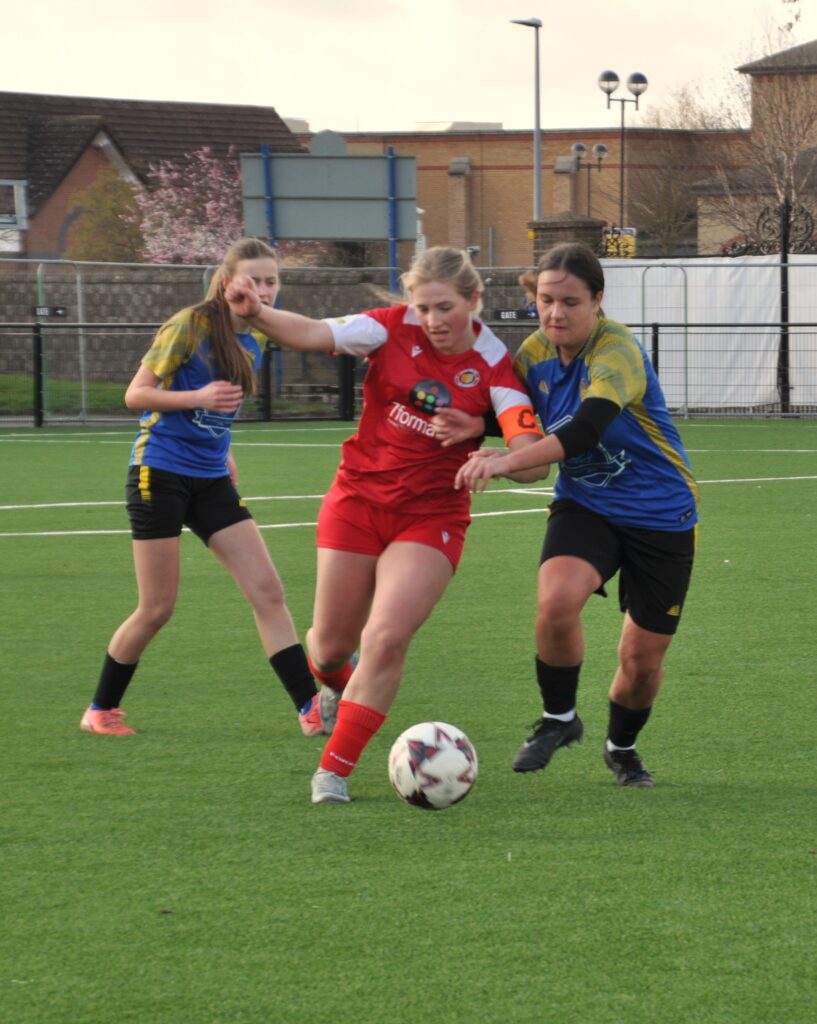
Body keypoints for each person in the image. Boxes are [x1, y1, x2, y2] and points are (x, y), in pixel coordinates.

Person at [225, 246, 543, 803]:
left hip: (431, 516)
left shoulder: (496, 366)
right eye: (423, 308)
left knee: (387, 637)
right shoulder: (387, 328)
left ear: (473, 300)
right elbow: (311, 332)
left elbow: (535, 460)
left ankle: (333, 772)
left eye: (445, 307)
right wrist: (256, 312)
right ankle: (339, 685)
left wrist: (495, 455)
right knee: (328, 649)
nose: (433, 321)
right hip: (356, 502)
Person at [455, 241, 699, 787]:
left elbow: (586, 429)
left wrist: (507, 459)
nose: (555, 313)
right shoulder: (534, 354)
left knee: (641, 663)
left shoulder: (617, 351)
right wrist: (473, 429)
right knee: (556, 598)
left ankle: (621, 748)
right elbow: (512, 421)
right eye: (546, 300)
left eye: (570, 302)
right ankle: (559, 718)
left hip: (661, 514)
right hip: (585, 503)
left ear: (597, 300)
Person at [80, 237, 321, 737]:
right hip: (159, 473)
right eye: (253, 280)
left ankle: (310, 707)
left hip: (210, 479)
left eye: (271, 281)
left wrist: (223, 449)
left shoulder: (256, 337)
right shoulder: (190, 325)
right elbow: (135, 395)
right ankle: (100, 709)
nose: (263, 290)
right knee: (157, 608)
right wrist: (198, 397)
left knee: (268, 591)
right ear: (227, 282)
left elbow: (219, 413)